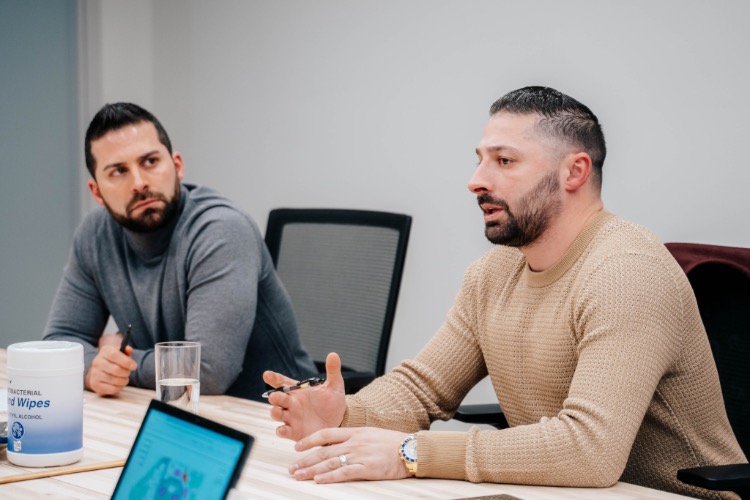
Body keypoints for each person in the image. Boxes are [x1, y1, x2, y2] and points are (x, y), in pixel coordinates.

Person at [262, 86, 747, 498]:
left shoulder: (626, 273)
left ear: (574, 172)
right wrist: (346, 413)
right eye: (480, 160)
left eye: (504, 161)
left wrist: (412, 453)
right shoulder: (494, 273)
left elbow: (589, 449)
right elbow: (422, 389)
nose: (476, 181)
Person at [43, 102, 316, 401]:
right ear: (97, 191)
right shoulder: (95, 235)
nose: (139, 183)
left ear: (177, 165)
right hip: (179, 409)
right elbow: (59, 342)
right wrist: (91, 368)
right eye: (119, 171)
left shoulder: (221, 230)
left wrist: (118, 360)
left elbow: (207, 372)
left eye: (150, 161)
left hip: (271, 413)